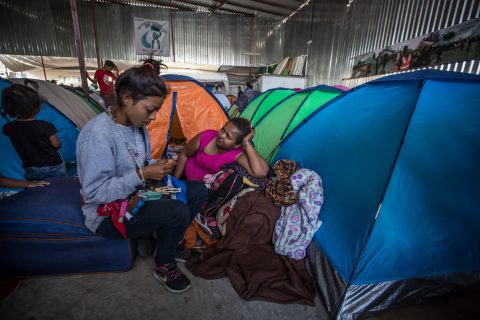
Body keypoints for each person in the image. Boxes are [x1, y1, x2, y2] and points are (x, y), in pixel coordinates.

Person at [76, 66, 207, 294]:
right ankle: (163, 264)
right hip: (109, 214)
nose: (154, 116)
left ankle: (170, 243)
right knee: (177, 211)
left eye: (156, 110)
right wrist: (142, 174)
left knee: (198, 190)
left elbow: (140, 161)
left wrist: (159, 164)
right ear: (127, 98)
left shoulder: (138, 126)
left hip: (138, 196)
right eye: (150, 109)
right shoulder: (98, 134)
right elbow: (94, 193)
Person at [2, 84, 67, 180]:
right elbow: (56, 144)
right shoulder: (45, 126)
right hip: (53, 165)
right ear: (36, 108)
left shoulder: (8, 128)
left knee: (38, 189)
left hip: (31, 168)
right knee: (62, 185)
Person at [173, 117, 269, 182]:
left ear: (237, 144)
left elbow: (261, 172)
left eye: (228, 136)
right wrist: (174, 182)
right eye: (223, 129)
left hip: (201, 191)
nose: (221, 135)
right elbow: (184, 154)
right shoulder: (206, 136)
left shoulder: (237, 154)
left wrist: (247, 143)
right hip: (182, 177)